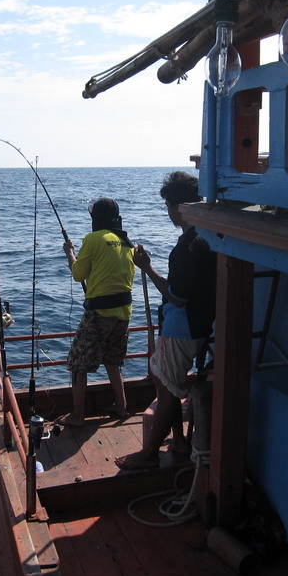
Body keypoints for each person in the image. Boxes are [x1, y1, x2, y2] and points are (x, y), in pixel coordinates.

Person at [115, 171, 216, 469]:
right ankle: (180, 442)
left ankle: (148, 455)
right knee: (167, 382)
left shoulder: (188, 247)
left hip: (182, 326)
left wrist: (146, 268)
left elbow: (177, 297)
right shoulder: (206, 236)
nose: (169, 212)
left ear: (178, 206)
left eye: (169, 206)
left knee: (165, 384)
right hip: (198, 325)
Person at [56, 198, 135, 427]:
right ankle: (122, 406)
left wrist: (70, 253)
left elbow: (79, 274)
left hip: (100, 313)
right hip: (124, 313)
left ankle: (78, 415)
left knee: (78, 363)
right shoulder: (126, 241)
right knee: (112, 360)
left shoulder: (92, 239)